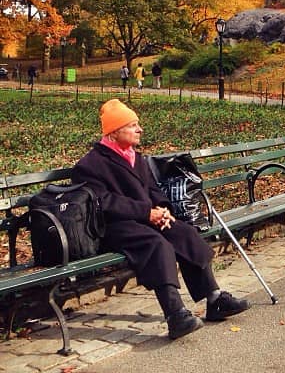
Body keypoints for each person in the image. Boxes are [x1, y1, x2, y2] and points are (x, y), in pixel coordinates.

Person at [71, 99, 249, 339]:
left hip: (146, 219)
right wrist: (146, 212)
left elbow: (154, 191)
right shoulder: (90, 165)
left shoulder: (137, 158)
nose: (140, 129)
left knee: (184, 232)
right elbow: (104, 203)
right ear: (114, 132)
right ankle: (175, 315)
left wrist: (163, 211)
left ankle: (215, 300)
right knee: (157, 244)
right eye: (133, 125)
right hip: (114, 227)